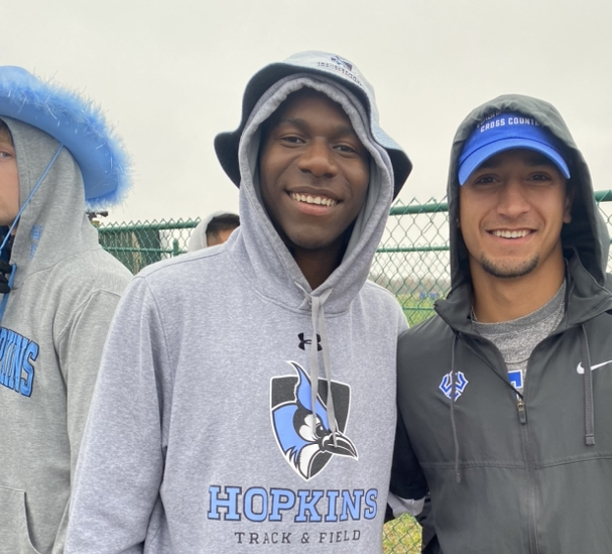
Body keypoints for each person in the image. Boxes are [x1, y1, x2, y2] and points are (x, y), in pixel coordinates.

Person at [67, 51, 412, 553]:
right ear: (253, 156)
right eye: (292, 138)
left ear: (376, 177)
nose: (318, 161)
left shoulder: (387, 322)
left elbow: (400, 488)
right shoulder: (166, 301)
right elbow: (103, 522)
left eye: (346, 145)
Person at [389, 96, 612, 553]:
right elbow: (381, 495)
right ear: (457, 207)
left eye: (538, 178)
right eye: (487, 180)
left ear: (568, 201)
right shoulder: (416, 358)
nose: (512, 204)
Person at [0, 66, 132, 553]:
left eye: (1, 154)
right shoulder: (8, 276)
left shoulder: (97, 291)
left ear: (45, 167)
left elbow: (106, 480)